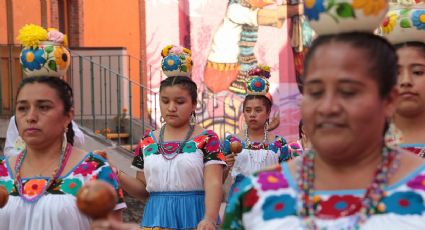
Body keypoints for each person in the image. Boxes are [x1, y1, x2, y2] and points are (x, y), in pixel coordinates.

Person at [222, 32, 425, 229]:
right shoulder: (255, 194)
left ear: (389, 100)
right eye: (316, 92)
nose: (328, 107)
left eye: (348, 92)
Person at [115, 45, 226, 230]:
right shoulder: (148, 141)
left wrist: (209, 218)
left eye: (179, 102)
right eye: (165, 101)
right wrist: (116, 173)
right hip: (156, 218)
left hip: (196, 217)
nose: (171, 107)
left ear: (193, 104)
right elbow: (143, 190)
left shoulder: (207, 138)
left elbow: (214, 182)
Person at [0, 76, 125, 230]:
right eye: (22, 108)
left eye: (44, 107)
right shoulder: (2, 172)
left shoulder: (95, 170)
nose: (30, 117)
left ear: (67, 116)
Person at [222, 65, 302, 197]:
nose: (252, 114)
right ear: (244, 113)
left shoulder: (279, 143)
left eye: (258, 110)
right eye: (248, 110)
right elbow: (219, 179)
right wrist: (226, 165)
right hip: (240, 200)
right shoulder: (231, 141)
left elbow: (287, 177)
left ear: (268, 112)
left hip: (270, 198)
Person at [4, 115, 85, 157]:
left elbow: (78, 142)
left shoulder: (61, 120)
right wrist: (31, 156)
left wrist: (65, 127)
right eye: (23, 107)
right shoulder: (15, 120)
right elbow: (8, 151)